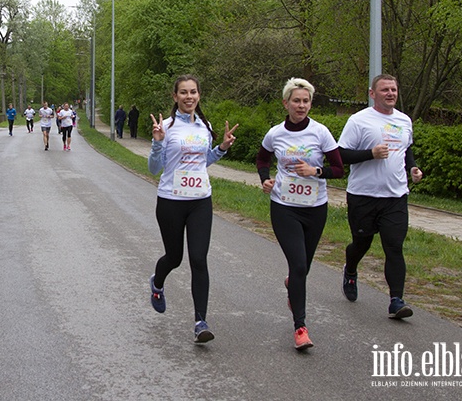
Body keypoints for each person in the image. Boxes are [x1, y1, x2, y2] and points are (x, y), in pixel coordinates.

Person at [147, 75, 238, 344]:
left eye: (194, 92)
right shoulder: (166, 126)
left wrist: (221, 148)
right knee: (174, 258)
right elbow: (154, 169)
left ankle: (201, 322)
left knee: (198, 259)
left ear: (199, 95)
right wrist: (157, 142)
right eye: (184, 93)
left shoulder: (205, 125)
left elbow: (203, 160)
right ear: (175, 97)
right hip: (171, 201)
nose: (189, 97)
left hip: (200, 200)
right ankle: (157, 282)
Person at [256, 78, 344, 350]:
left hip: (315, 208)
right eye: (296, 101)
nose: (301, 105)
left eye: (306, 101)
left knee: (302, 269)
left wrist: (316, 171)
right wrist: (265, 179)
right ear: (286, 103)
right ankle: (301, 328)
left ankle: (292, 284)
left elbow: (339, 169)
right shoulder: (275, 133)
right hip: (284, 206)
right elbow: (262, 158)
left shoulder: (321, 132)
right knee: (298, 265)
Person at [337, 74, 423, 320]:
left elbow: (406, 151)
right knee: (361, 243)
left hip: (395, 196)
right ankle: (351, 269)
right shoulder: (359, 121)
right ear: (372, 93)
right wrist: (370, 154)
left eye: (394, 89)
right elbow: (341, 155)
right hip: (363, 195)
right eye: (384, 90)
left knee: (394, 247)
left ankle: (396, 301)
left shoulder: (404, 121)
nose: (390, 94)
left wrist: (413, 169)